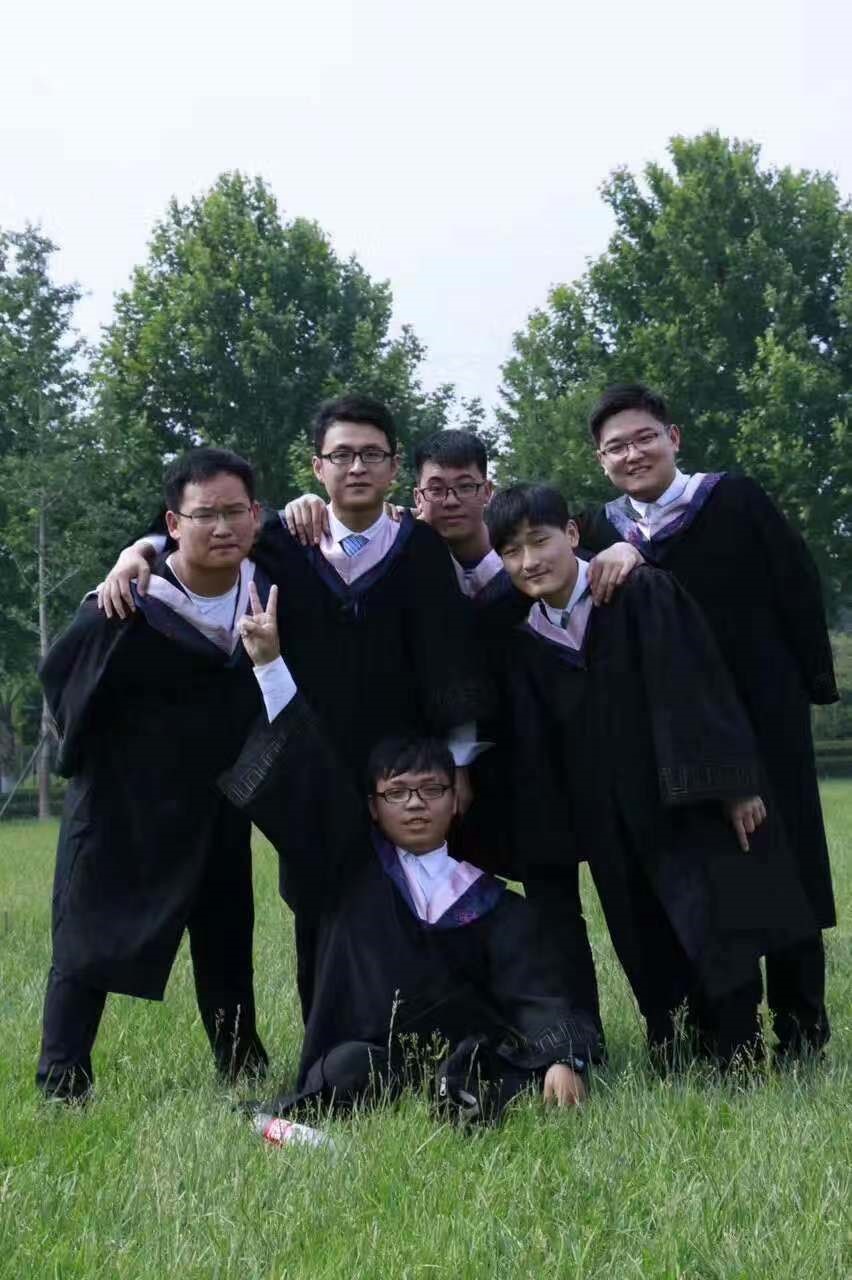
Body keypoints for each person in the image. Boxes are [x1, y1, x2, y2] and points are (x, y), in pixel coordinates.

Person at [97, 395, 489, 1014]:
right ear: (317, 466)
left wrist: (458, 761)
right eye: (342, 454)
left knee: (418, 889)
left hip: (403, 761)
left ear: (393, 468)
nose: (356, 467)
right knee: (317, 899)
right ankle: (328, 1037)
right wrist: (136, 551)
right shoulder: (281, 541)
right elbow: (201, 533)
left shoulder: (419, 549)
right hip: (307, 758)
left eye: (371, 455)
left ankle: (430, 1027)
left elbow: (450, 658)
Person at [219, 582, 601, 1124]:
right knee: (345, 1069)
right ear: (373, 808)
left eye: (431, 790)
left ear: (456, 799)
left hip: (461, 1053)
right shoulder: (349, 871)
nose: (416, 804)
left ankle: (458, 1089)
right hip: (372, 1057)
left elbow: (537, 992)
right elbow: (310, 774)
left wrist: (562, 1057)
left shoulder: (492, 903)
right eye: (397, 793)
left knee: (487, 1070)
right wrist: (270, 666)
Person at [481, 482, 816, 1068]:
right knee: (639, 930)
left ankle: (739, 1051)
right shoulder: (525, 638)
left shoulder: (641, 594)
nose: (529, 561)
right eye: (512, 551)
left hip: (679, 798)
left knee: (711, 922)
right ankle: (674, 1047)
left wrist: (734, 785)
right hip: (604, 814)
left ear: (573, 534)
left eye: (540, 540)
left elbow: (699, 686)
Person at [579, 383, 838, 1060]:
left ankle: (802, 1028)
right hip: (678, 737)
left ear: (674, 438)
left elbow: (796, 583)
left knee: (787, 867)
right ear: (600, 460)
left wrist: (812, 683)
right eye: (616, 447)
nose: (633, 454)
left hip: (764, 715)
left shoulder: (734, 500)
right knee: (707, 878)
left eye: (645, 437)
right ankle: (719, 1028)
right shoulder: (602, 530)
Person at [36, 448, 270, 1101]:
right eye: (204, 515)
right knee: (85, 937)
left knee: (225, 938)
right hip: (122, 803)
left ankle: (242, 1067)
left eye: (235, 512)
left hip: (215, 803)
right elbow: (64, 681)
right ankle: (62, 1079)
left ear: (255, 515)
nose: (222, 527)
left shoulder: (265, 589)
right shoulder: (126, 603)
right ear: (173, 523)